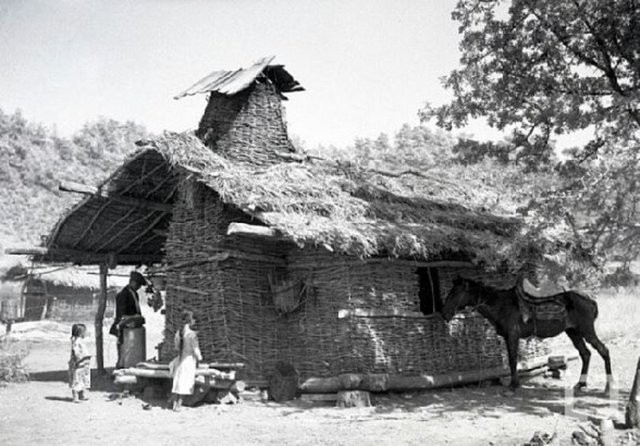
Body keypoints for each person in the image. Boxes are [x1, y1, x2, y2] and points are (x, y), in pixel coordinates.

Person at [109, 271, 147, 368]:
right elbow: (121, 315)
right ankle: (120, 366)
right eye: (138, 285)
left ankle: (128, 364)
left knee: (131, 348)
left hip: (133, 325)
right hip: (124, 325)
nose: (139, 287)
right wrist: (132, 318)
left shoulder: (134, 294)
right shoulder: (123, 294)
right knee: (123, 347)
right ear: (133, 282)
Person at [169, 310, 203, 411]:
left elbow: (176, 347)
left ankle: (174, 404)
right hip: (188, 360)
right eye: (194, 320)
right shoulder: (192, 335)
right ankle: (179, 405)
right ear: (191, 321)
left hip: (179, 359)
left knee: (178, 382)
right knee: (185, 383)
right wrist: (200, 358)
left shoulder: (179, 333)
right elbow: (196, 350)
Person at [68, 323, 91, 403]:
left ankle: (81, 395)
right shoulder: (77, 342)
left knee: (83, 379)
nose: (86, 333)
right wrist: (79, 360)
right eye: (85, 332)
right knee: (77, 379)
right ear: (80, 333)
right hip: (79, 363)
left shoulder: (79, 341)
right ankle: (75, 397)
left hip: (83, 363)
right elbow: (76, 352)